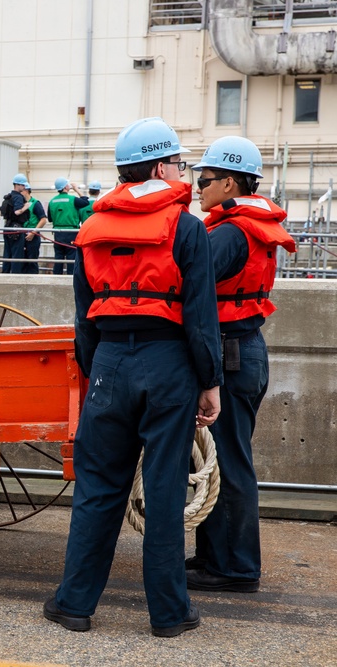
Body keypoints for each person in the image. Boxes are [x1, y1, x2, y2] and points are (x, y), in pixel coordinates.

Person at [44, 117, 223, 637]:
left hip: (108, 364)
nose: (182, 173)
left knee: (98, 487)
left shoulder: (91, 229)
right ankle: (169, 615)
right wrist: (208, 382)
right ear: (162, 166)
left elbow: (84, 319)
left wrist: (100, 367)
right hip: (168, 364)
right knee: (164, 489)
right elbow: (200, 316)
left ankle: (74, 604)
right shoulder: (186, 227)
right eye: (179, 164)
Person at [186, 137, 296, 593]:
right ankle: (214, 556)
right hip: (242, 349)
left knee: (228, 462)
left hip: (231, 354)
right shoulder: (245, 224)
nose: (197, 187)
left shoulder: (231, 232)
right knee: (220, 460)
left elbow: (190, 280)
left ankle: (235, 568)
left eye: (205, 180)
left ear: (230, 182)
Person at [47, 177, 89, 275]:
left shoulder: (52, 201)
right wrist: (76, 189)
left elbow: (50, 218)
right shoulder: (73, 199)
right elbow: (85, 201)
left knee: (58, 256)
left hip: (57, 233)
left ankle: (56, 277)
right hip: (71, 232)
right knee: (71, 257)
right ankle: (71, 277)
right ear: (66, 186)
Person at [1, 174, 32, 273]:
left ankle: (5, 274)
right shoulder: (18, 197)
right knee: (17, 255)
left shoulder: (9, 197)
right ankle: (15, 276)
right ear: (17, 185)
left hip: (8, 228)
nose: (24, 187)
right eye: (22, 185)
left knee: (7, 254)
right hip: (17, 229)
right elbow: (17, 212)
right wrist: (26, 207)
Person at [21, 189, 48, 274]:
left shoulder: (35, 203)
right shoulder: (20, 203)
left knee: (32, 261)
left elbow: (43, 219)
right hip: (22, 235)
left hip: (33, 236)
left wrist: (34, 232)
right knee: (22, 262)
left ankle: (33, 281)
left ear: (26, 191)